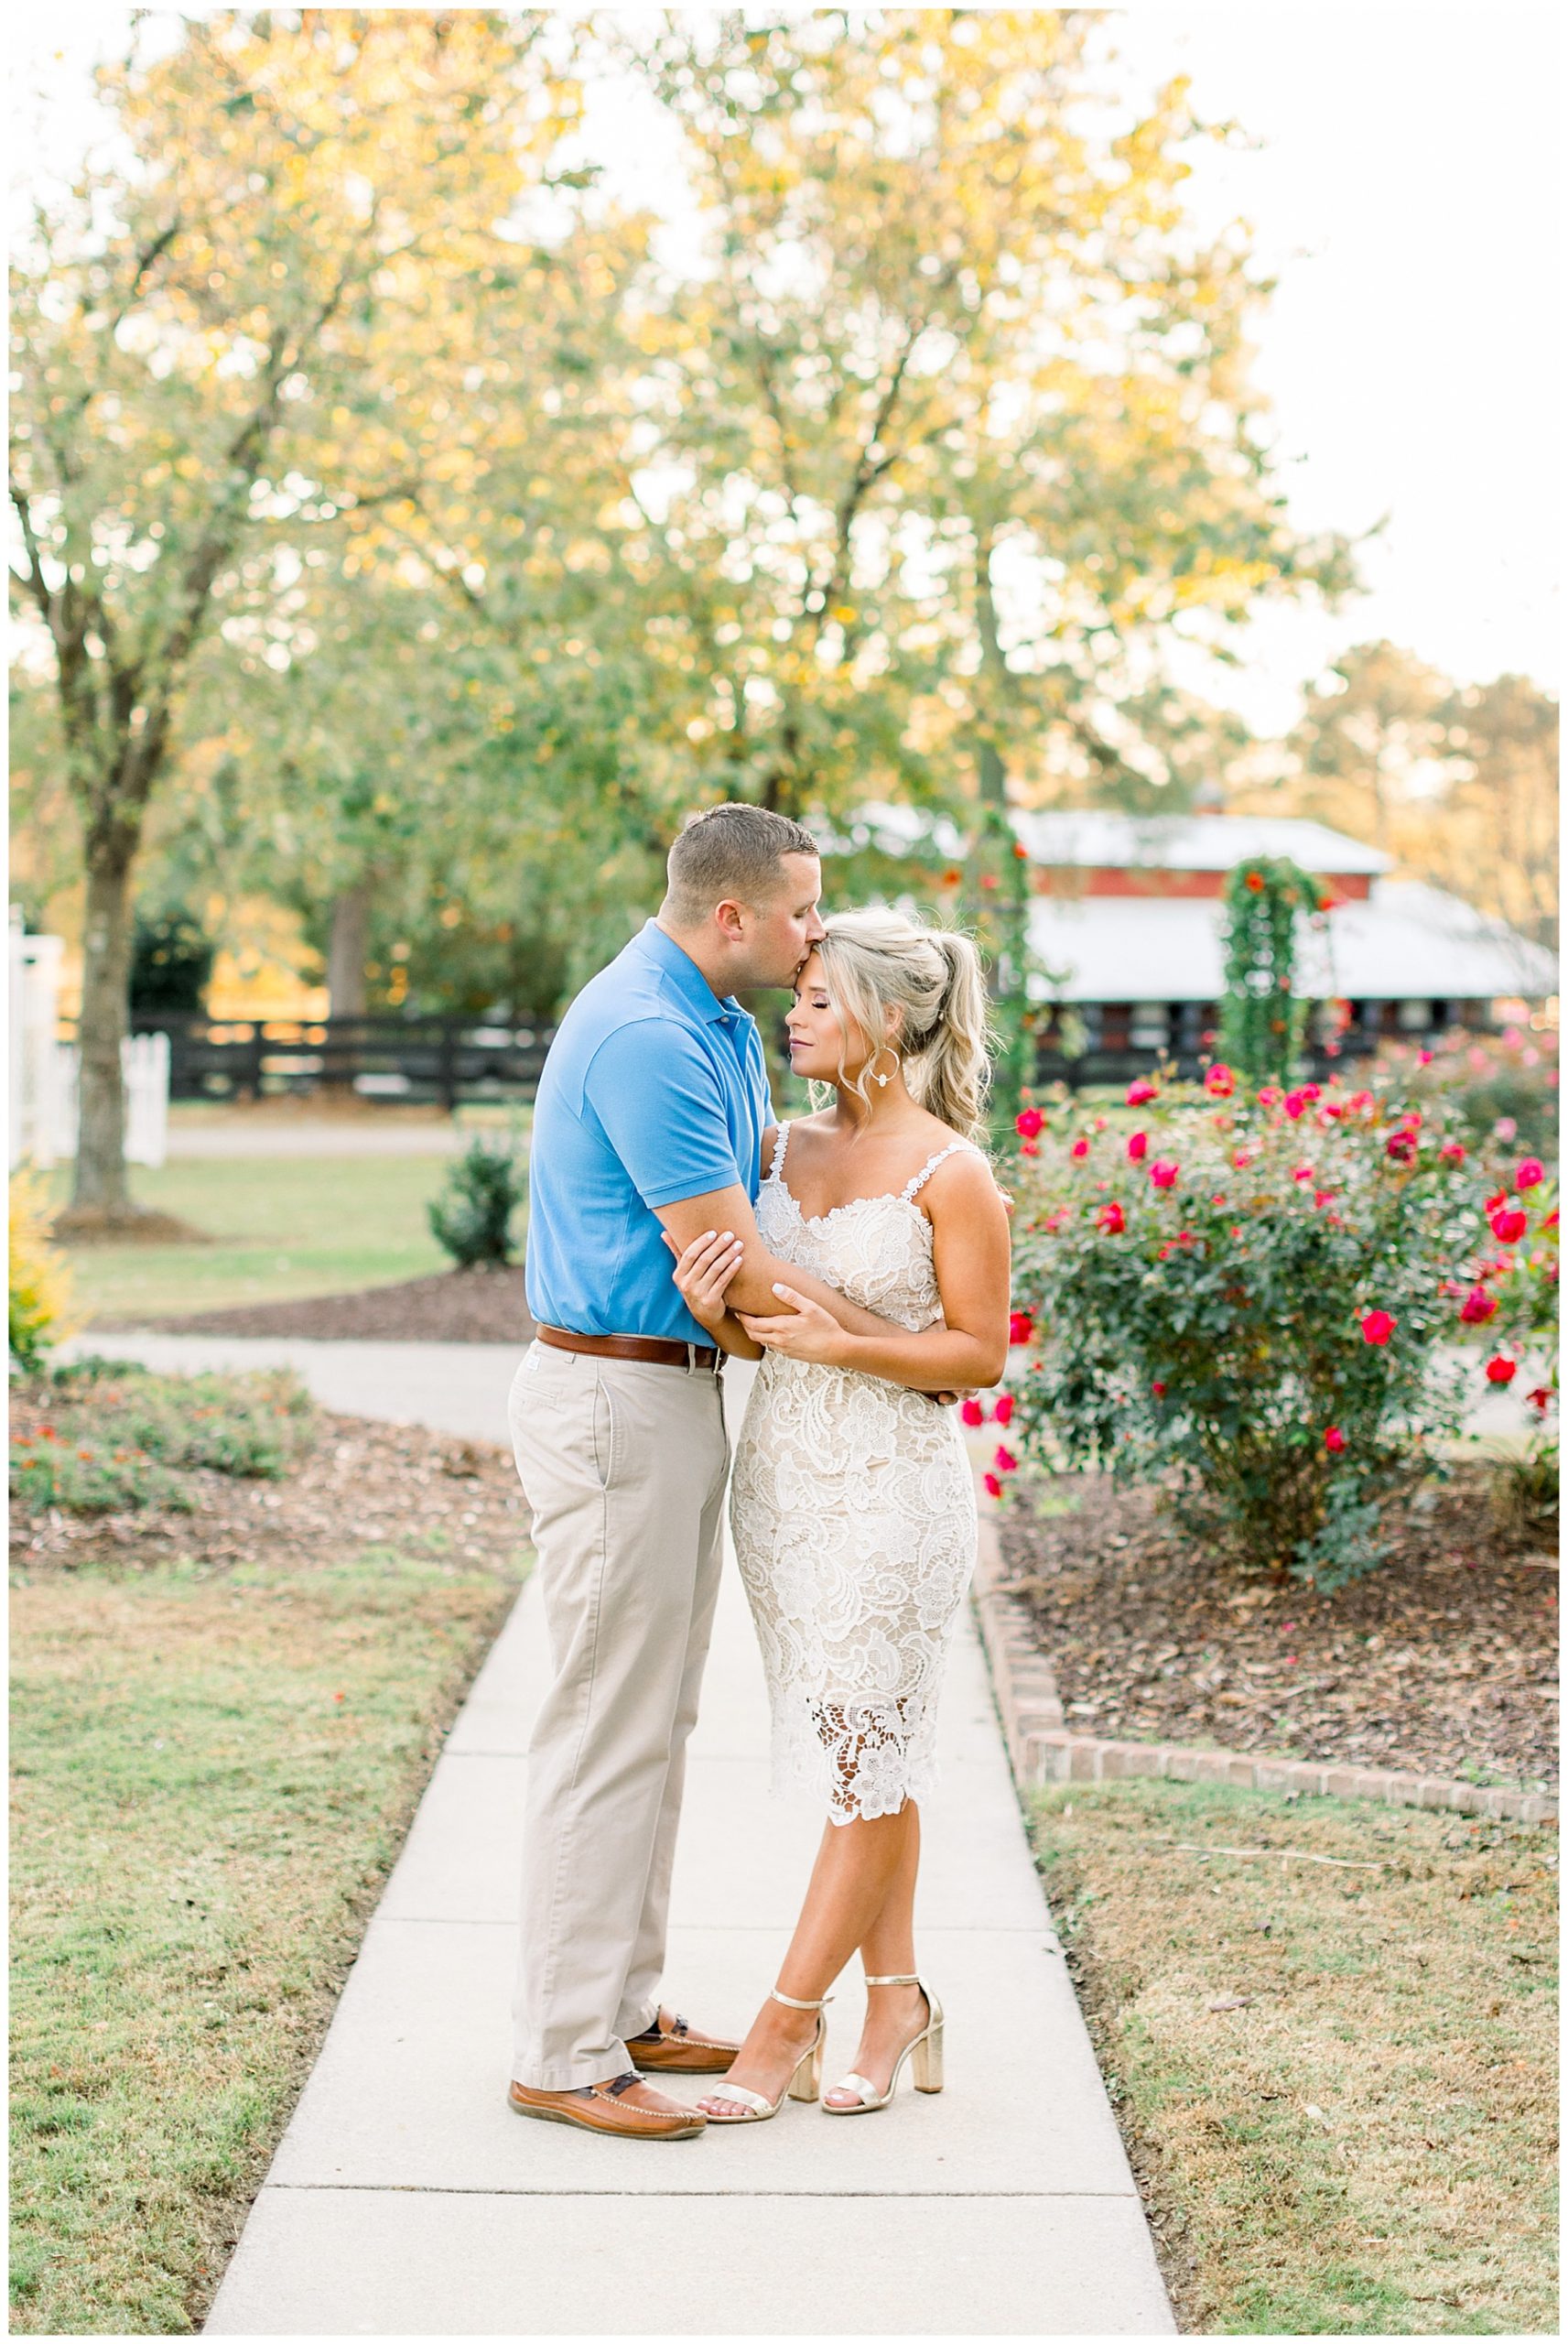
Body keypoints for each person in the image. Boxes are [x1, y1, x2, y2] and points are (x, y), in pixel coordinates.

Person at [506, 808, 964, 2143]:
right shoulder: (650, 1034)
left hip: (679, 1387)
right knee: (605, 1726)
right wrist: (911, 1352)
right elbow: (742, 1264)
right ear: (731, 917)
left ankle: (624, 2006)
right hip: (615, 1395)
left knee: (653, 1724)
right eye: (801, 913)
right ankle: (561, 2048)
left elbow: (749, 1267)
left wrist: (839, 1337)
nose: (814, 932)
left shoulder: (709, 1015)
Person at [665, 907, 1011, 2122]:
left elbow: (976, 1360)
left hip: (892, 1493)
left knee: (863, 1757)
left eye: (816, 997)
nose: (791, 1013)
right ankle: (899, 1997)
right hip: (783, 1488)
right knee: (871, 1752)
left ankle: (780, 2029)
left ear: (887, 1018)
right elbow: (763, 1330)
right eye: (795, 994)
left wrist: (846, 1344)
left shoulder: (950, 1173)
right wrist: (714, 1309)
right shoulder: (774, 1148)